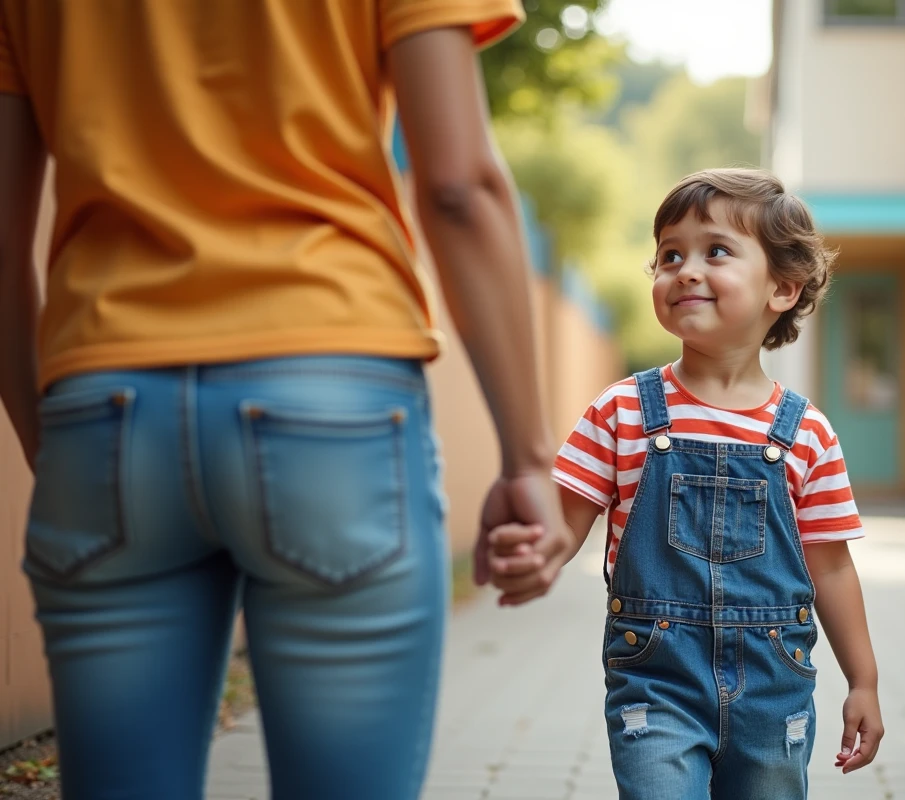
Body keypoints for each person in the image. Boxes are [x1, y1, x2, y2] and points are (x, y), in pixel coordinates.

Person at [0, 2, 574, 798]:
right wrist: (528, 457)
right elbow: (458, 187)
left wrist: (54, 437)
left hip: (106, 392)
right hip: (332, 389)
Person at [485, 169, 884, 798]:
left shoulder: (807, 432)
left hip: (773, 689)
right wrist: (535, 554)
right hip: (656, 681)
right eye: (670, 255)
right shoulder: (622, 412)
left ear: (782, 287)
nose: (685, 270)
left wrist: (863, 681)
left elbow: (829, 567)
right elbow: (565, 523)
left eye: (715, 251)